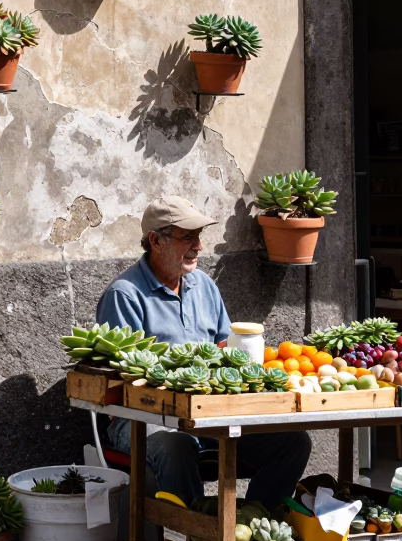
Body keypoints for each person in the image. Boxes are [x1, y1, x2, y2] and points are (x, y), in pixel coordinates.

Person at [96, 195, 311, 510]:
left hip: (209, 415)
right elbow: (124, 378)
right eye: (188, 238)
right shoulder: (124, 295)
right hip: (143, 418)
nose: (198, 246)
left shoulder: (204, 286)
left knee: (292, 442)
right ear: (155, 241)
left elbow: (226, 350)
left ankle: (254, 526)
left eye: (198, 237)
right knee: (176, 445)